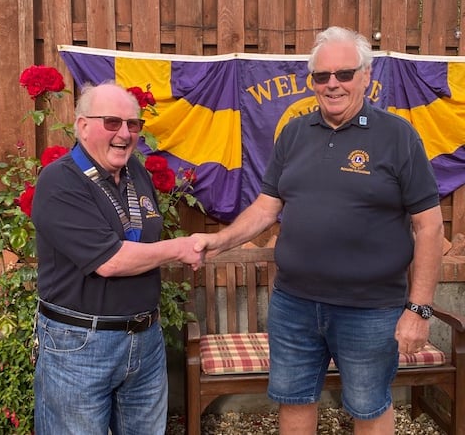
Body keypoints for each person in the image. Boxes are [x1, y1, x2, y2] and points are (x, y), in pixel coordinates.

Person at [192, 26, 444, 435]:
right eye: (322, 76)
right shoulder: (294, 133)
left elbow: (428, 225)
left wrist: (418, 310)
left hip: (370, 308)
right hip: (294, 303)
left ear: (366, 75)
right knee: (293, 401)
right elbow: (267, 205)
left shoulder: (397, 136)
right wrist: (220, 240)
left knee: (370, 408)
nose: (332, 84)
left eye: (344, 74)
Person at [31, 82, 203, 435]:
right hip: (79, 346)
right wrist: (180, 248)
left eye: (133, 124)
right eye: (112, 122)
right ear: (82, 126)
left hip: (145, 341)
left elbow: (140, 236)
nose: (125, 133)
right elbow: (109, 261)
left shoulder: (135, 171)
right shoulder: (60, 180)